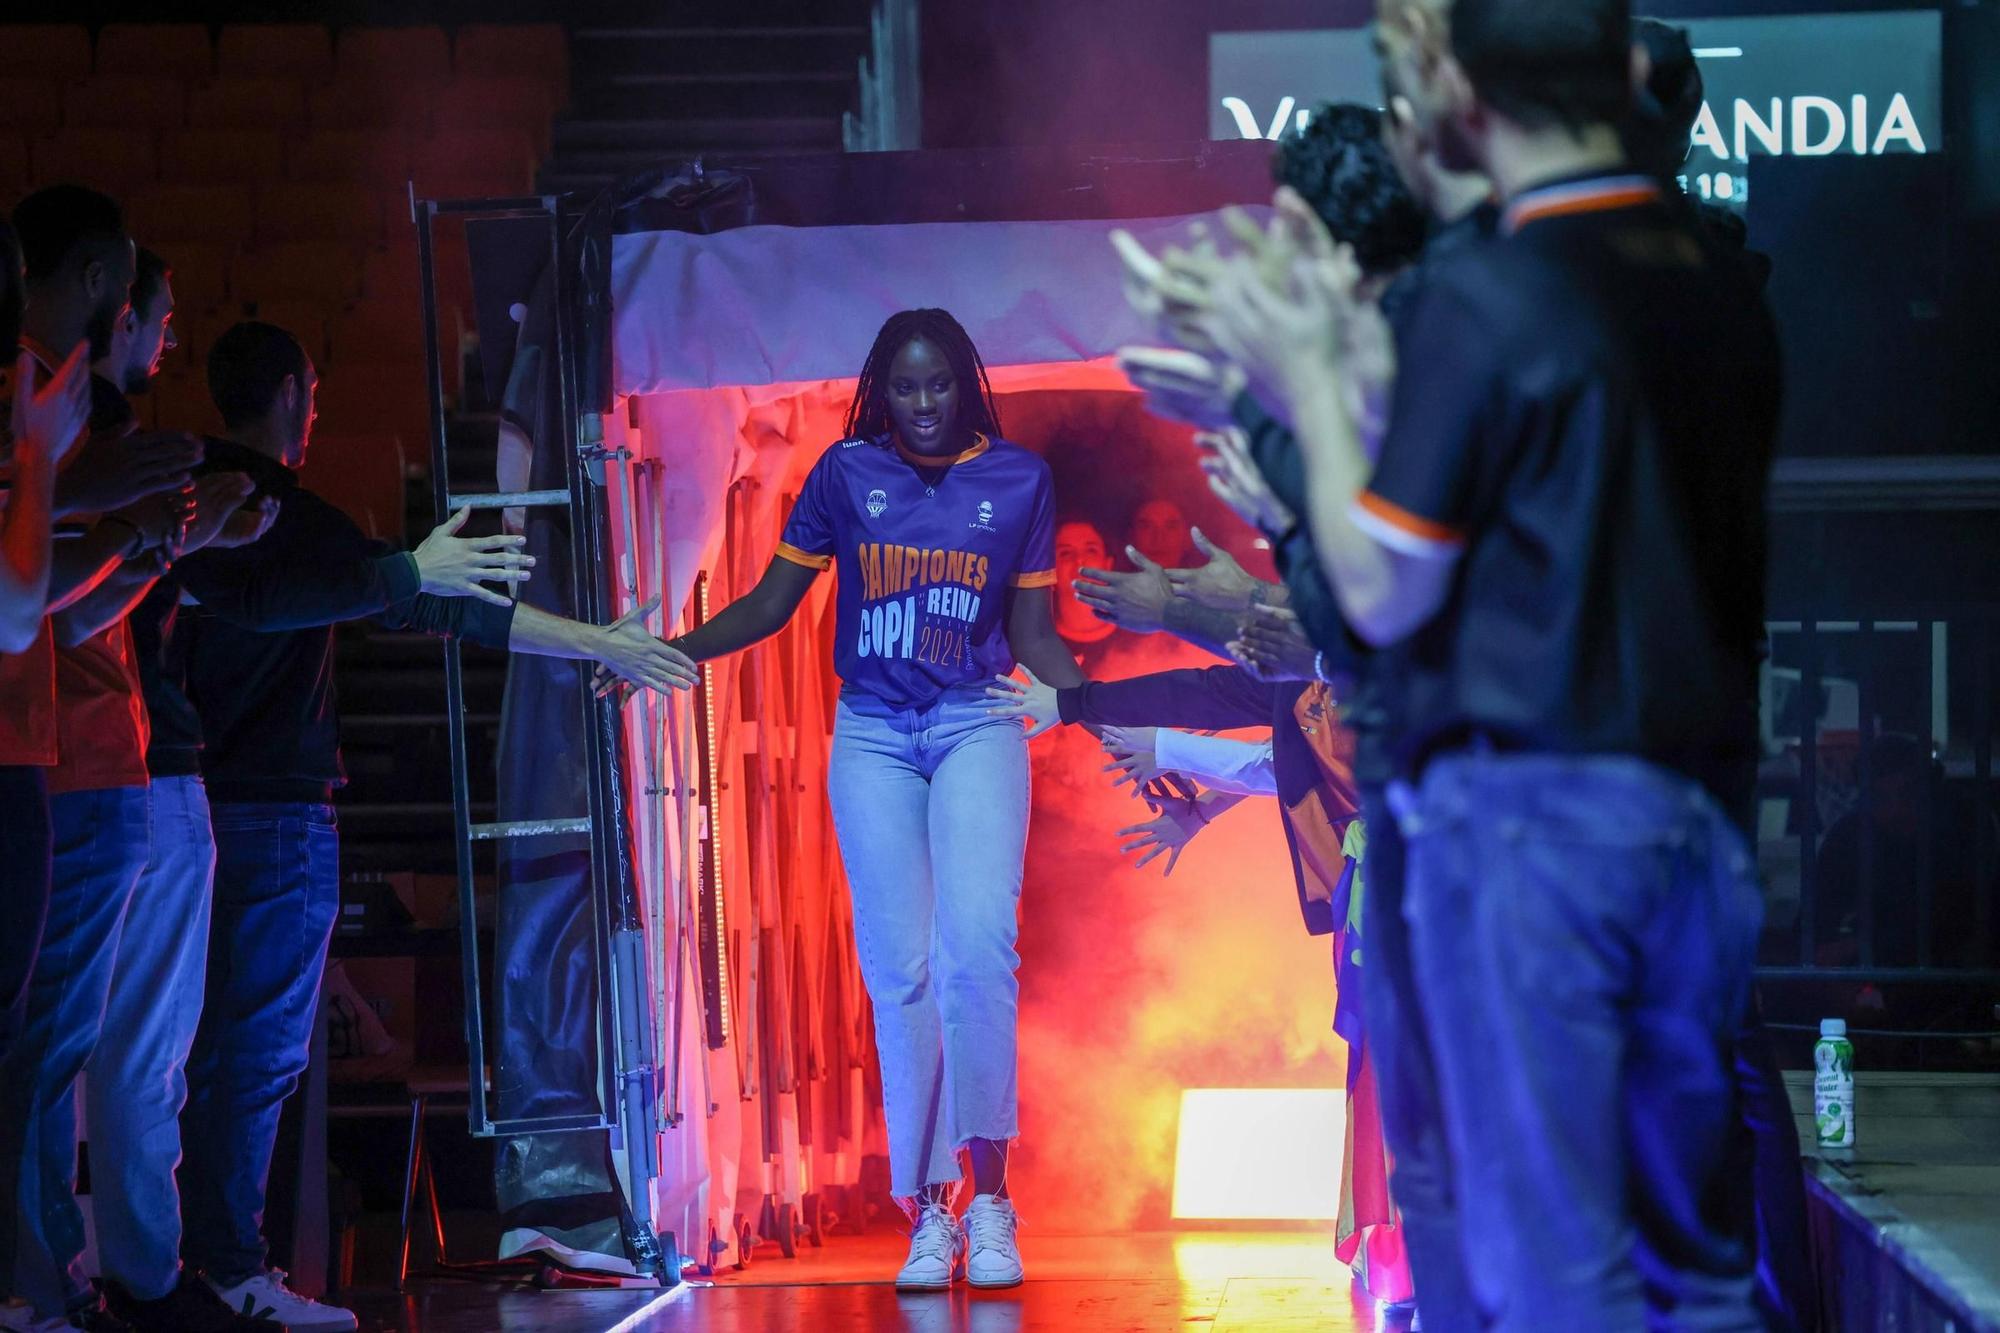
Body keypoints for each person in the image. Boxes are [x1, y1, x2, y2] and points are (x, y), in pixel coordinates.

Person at [1201, 0, 1783, 1324]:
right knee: (1685, 1251)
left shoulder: (1491, 293)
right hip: (1698, 815)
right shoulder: (1712, 274)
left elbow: (1381, 586)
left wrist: (1290, 387)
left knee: (1551, 1251)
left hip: (1537, 821)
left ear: (1462, 99)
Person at [161, 322, 695, 1332]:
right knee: (255, 1048)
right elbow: (446, 608)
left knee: (206, 1048)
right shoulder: (274, 512)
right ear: (290, 393)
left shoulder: (188, 504)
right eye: (312, 392)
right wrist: (579, 636)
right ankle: (226, 1265)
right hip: (266, 811)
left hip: (190, 803)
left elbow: (436, 603)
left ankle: (200, 1263)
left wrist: (582, 638)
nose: (314, 411)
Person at [631, 308, 1084, 1292]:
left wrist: (1109, 710)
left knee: (976, 949)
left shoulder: (1017, 480)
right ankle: (927, 1211)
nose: (921, 405)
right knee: (900, 971)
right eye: (904, 388)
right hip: (873, 733)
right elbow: (765, 604)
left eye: (938, 385)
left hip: (976, 719)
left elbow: (1037, 636)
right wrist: (663, 652)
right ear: (881, 390)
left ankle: (994, 1199)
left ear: (964, 384)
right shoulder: (844, 475)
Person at [0, 186, 211, 1333]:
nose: (144, 326)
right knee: (44, 1048)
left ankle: (48, 1275)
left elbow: (54, 599)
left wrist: (147, 540)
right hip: (58, 758)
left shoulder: (52, 399)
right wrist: (113, 520)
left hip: (66, 754)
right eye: (136, 301)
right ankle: (43, 1279)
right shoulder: (38, 394)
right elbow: (31, 600)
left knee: (60, 1043)